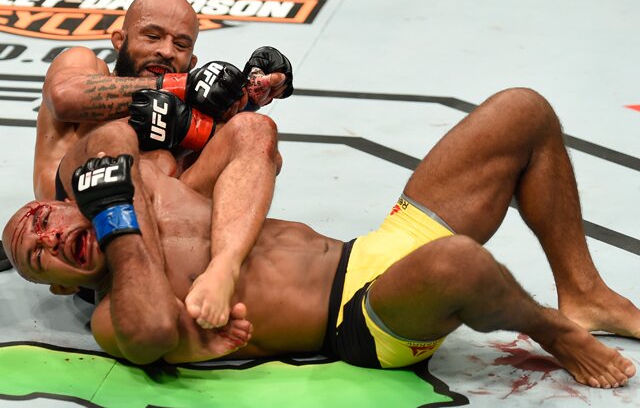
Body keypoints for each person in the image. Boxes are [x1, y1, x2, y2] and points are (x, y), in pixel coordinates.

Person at [4, 88, 640, 389]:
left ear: (67, 201)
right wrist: (116, 220)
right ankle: (553, 327)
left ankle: (582, 290)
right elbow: (146, 335)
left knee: (520, 110)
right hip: (362, 317)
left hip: (374, 250)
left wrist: (213, 260)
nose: (49, 238)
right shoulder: (117, 313)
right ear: (60, 284)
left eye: (43, 220)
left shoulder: (142, 181)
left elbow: (115, 138)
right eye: (38, 256)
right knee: (457, 263)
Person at [34, 0, 293, 201]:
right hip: (67, 217)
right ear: (118, 40)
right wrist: (183, 85)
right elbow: (63, 96)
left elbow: (263, 162)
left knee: (251, 142)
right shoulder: (85, 64)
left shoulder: (189, 110)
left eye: (180, 45)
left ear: (192, 61)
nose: (167, 51)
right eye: (152, 36)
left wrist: (243, 98)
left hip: (162, 233)